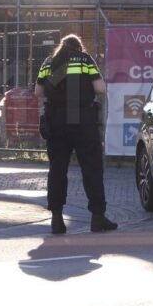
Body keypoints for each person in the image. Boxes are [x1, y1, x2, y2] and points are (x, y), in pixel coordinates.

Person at [35, 34, 117, 235]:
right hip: (82, 119)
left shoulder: (49, 62)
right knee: (91, 168)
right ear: (79, 47)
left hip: (57, 121)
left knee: (57, 170)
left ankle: (56, 219)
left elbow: (38, 92)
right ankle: (97, 217)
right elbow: (100, 88)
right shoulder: (85, 60)